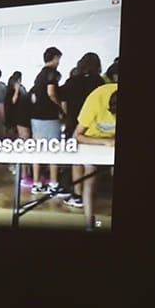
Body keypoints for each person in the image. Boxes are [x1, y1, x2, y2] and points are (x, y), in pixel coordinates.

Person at [68, 81, 117, 230]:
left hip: (111, 143)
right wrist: (105, 142)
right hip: (91, 139)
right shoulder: (96, 100)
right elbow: (77, 136)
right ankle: (90, 224)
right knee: (90, 177)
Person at [59, 52, 105, 207]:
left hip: (74, 122)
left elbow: (61, 97)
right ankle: (90, 194)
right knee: (92, 162)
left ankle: (78, 194)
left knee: (76, 160)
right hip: (94, 126)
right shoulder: (99, 81)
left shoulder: (73, 81)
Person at [29, 47, 69, 197]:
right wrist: (60, 107)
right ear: (55, 58)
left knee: (38, 150)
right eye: (59, 59)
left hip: (36, 117)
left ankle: (37, 184)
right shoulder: (52, 73)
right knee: (54, 150)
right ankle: (53, 184)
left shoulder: (39, 75)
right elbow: (51, 93)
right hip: (49, 117)